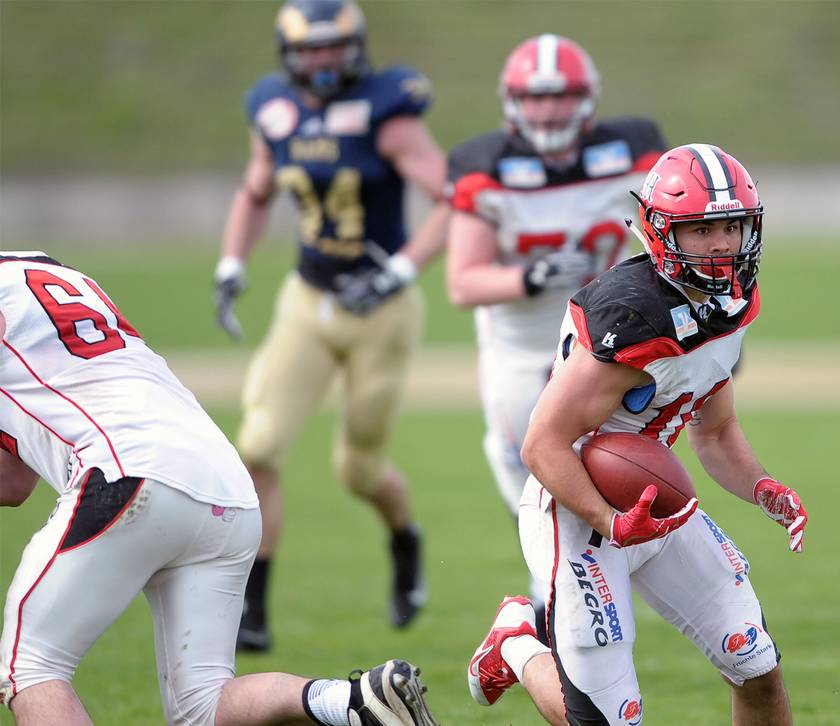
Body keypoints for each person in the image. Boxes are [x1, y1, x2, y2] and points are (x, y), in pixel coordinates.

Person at [0, 253, 437, 726]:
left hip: (125, 471)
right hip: (225, 483)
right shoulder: (47, 268)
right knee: (203, 706)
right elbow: (16, 479)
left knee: (31, 667)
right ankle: (353, 701)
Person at [464, 144, 807, 725]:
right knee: (606, 722)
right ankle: (518, 644)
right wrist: (610, 521)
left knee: (756, 667)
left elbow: (716, 429)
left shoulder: (732, 300)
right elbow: (541, 443)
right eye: (701, 231)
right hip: (573, 506)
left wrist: (765, 488)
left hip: (654, 500)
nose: (722, 244)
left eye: (731, 226)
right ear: (660, 231)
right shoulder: (632, 319)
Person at [213, 0, 452, 650]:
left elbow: (454, 195)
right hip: (307, 297)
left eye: (334, 46)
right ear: (290, 53)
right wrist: (233, 261)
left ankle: (405, 540)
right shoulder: (273, 109)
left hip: (381, 311)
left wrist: (402, 269)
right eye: (312, 48)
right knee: (257, 446)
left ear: (355, 47)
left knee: (358, 469)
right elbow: (256, 189)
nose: (324, 60)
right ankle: (253, 610)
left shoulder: (387, 110)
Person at [445, 33, 665, 623]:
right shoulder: (485, 166)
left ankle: (581, 589)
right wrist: (530, 276)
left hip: (606, 335)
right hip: (519, 347)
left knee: (618, 456)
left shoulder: (634, 151)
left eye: (563, 96)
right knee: (530, 464)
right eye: (536, 97)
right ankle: (553, 590)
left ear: (588, 98)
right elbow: (463, 282)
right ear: (511, 101)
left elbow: (666, 235)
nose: (549, 110)